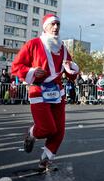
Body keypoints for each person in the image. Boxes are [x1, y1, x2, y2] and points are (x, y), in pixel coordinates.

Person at [11, 14, 79, 170]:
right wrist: (33, 72)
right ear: (45, 26)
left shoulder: (62, 48)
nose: (56, 28)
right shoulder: (33, 44)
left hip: (57, 92)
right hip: (38, 91)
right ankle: (31, 133)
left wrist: (72, 68)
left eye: (58, 25)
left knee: (59, 132)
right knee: (47, 128)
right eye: (53, 24)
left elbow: (70, 74)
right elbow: (16, 67)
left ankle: (45, 160)